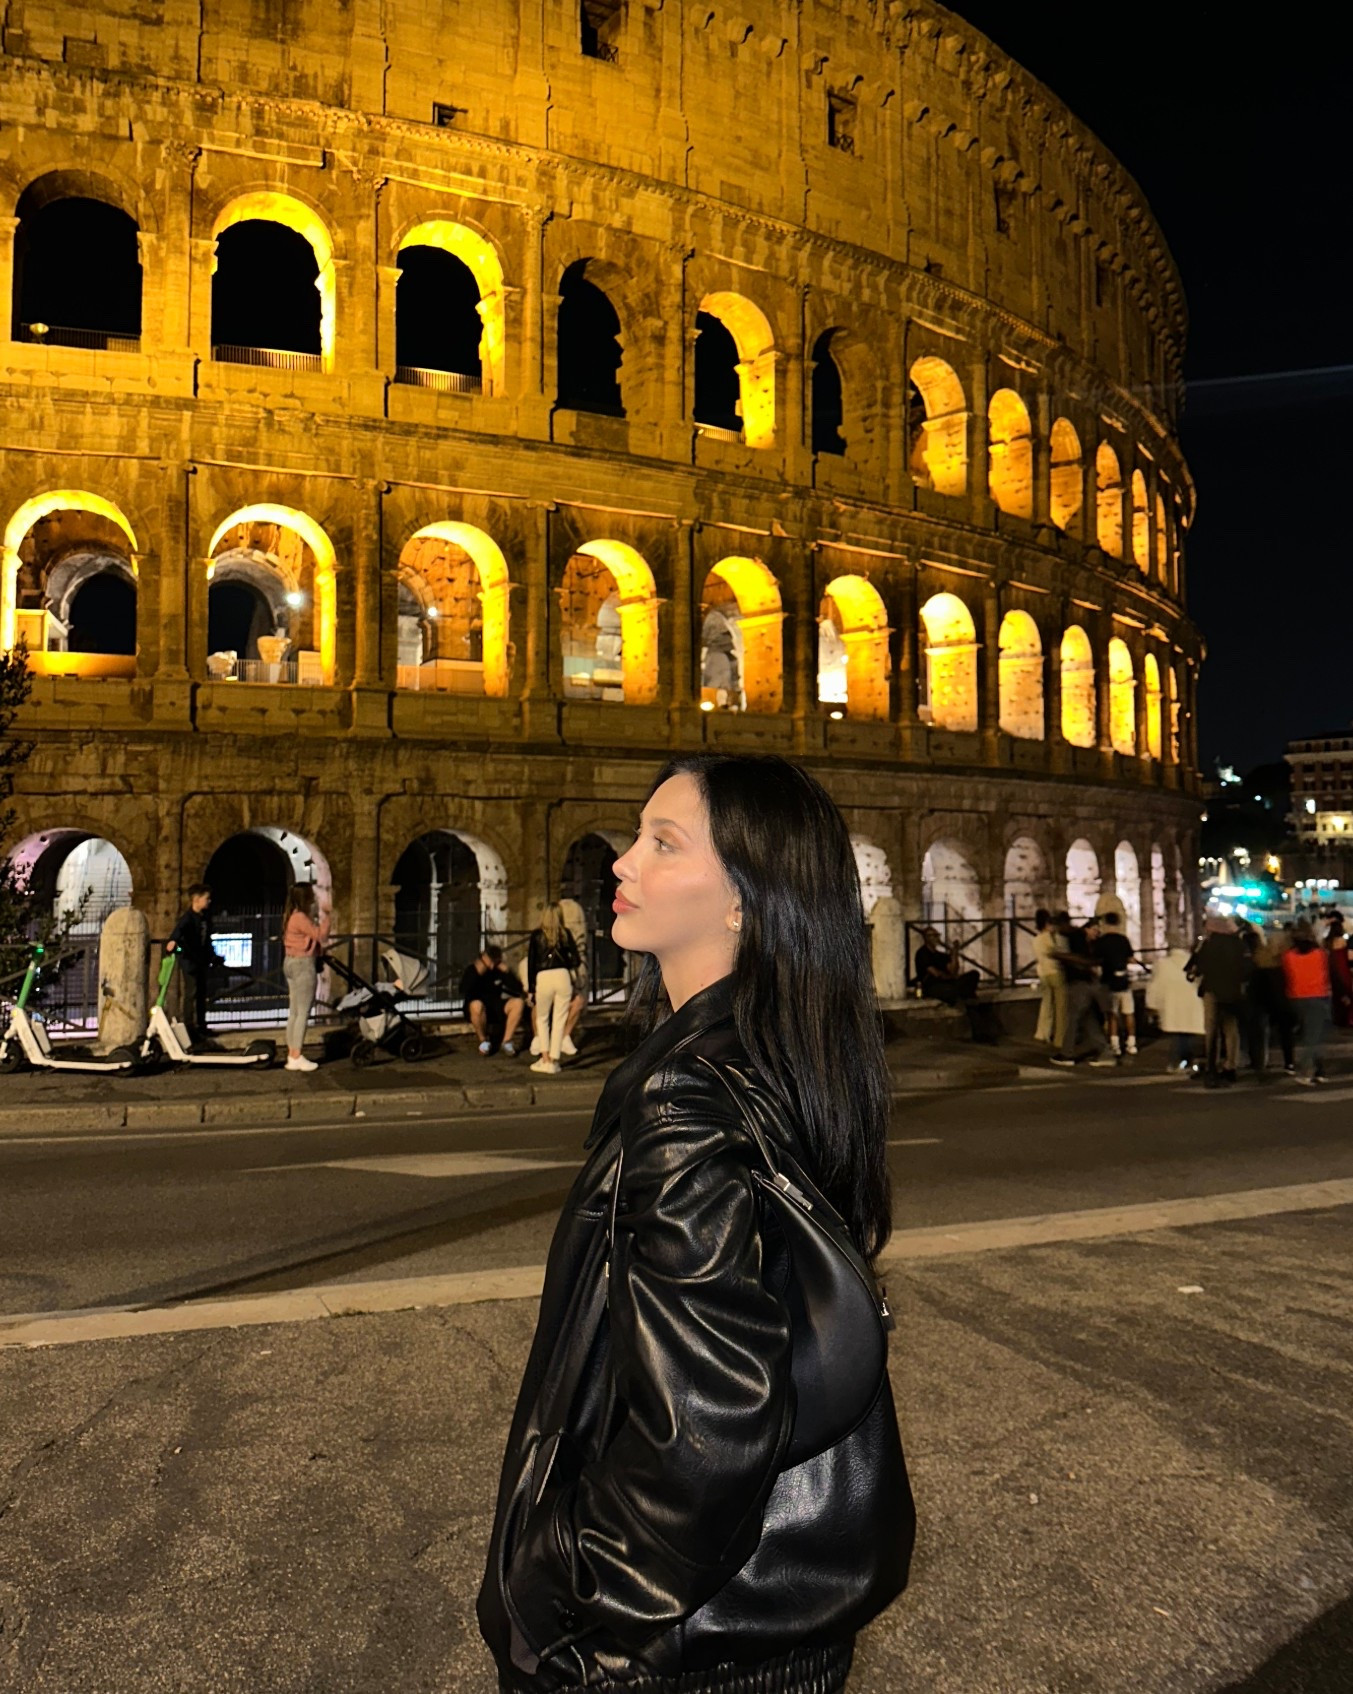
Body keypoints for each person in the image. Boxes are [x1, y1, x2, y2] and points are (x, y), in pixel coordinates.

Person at [478, 753, 914, 1693]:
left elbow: (706, 1422)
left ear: (743, 902)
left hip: (686, 1646)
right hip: (780, 1619)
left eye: (661, 844)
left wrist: (587, 1624)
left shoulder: (683, 1094)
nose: (620, 864)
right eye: (636, 837)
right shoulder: (792, 1053)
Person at [1186, 916, 1249, 1084]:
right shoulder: (1238, 945)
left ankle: (1212, 1066)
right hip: (1232, 991)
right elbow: (1246, 969)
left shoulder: (1208, 945)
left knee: (1212, 1030)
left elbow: (1197, 968)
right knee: (1231, 1030)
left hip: (1212, 990)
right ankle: (1231, 1065)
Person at [1050, 912, 1116, 1068]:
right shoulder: (1077, 936)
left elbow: (1082, 960)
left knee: (1074, 1018)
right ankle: (1105, 1051)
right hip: (1086, 983)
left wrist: (1060, 956)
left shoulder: (1074, 936)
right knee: (1088, 1019)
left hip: (1079, 983)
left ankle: (1067, 1054)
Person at [526, 902, 581, 1075]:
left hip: (544, 977)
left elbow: (531, 962)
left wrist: (531, 987)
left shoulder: (536, 935)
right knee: (560, 1019)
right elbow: (576, 959)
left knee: (542, 1019)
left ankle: (545, 1059)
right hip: (563, 976)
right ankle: (555, 1060)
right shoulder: (565, 934)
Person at [280, 881, 330, 1072]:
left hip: (291, 962)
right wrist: (326, 916)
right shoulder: (300, 917)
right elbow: (320, 934)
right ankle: (296, 1055)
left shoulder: (291, 916)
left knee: (294, 1012)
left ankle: (292, 1053)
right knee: (302, 1012)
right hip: (302, 965)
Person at [166, 882, 219, 1048]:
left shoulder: (204, 918)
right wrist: (173, 942)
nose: (209, 901)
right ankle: (190, 1027)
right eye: (206, 898)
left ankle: (201, 1025)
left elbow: (206, 940)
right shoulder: (188, 918)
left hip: (201, 960)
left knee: (201, 993)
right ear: (196, 899)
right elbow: (178, 932)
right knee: (192, 992)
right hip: (190, 961)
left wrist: (212, 956)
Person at [1282, 921, 1332, 1085]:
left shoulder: (1288, 956)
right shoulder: (1320, 954)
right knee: (1314, 1037)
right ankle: (1306, 1071)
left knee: (1310, 1035)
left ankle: (1319, 1069)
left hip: (1296, 998)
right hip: (1318, 996)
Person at [1144, 944, 1206, 1070]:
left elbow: (1154, 986)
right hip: (1192, 1005)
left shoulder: (1163, 965)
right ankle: (1183, 1062)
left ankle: (1178, 1062)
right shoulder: (1195, 962)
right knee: (1186, 1035)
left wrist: (1152, 1005)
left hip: (1172, 1005)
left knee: (1178, 1035)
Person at [1243, 923, 1293, 1077]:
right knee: (1285, 1032)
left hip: (1262, 1002)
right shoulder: (1281, 964)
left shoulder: (1257, 963)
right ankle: (1288, 1062)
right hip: (1280, 1001)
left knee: (1260, 1032)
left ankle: (1260, 1061)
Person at [459, 944, 526, 1056]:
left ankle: (507, 1041)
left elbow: (518, 988)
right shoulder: (473, 970)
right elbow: (463, 989)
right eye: (489, 962)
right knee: (477, 1005)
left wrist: (507, 972)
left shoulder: (498, 970)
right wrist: (477, 972)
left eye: (495, 962)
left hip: (495, 1005)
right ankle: (483, 1041)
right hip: (477, 1007)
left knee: (518, 1003)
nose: (491, 966)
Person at [1091, 910, 1137, 1056]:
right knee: (1129, 1013)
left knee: (1112, 1014)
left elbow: (1095, 961)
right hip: (1123, 980)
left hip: (1109, 981)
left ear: (1104, 923)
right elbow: (1130, 958)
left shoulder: (1102, 941)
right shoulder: (1123, 940)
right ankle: (1131, 1043)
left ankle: (1115, 1044)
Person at [912, 926, 980, 1004]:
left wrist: (954, 953)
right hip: (931, 984)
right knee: (949, 991)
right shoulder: (922, 953)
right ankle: (963, 994)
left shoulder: (940, 955)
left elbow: (953, 970)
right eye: (934, 935)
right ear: (926, 938)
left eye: (937, 935)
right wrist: (950, 977)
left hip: (947, 982)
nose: (937, 938)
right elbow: (935, 973)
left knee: (974, 974)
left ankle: (962, 993)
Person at [1031, 907, 1064, 1045]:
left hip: (1043, 973)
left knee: (1046, 1005)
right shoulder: (1049, 937)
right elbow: (1056, 953)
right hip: (1055, 973)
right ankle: (1059, 1038)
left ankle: (1042, 1033)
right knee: (1060, 1007)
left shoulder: (1036, 939)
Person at [1325, 913, 1353, 1029]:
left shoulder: (1326, 942)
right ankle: (1348, 1019)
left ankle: (1338, 1019)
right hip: (1343, 970)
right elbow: (1348, 957)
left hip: (1332, 970)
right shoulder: (1343, 941)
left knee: (1337, 996)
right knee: (1348, 994)